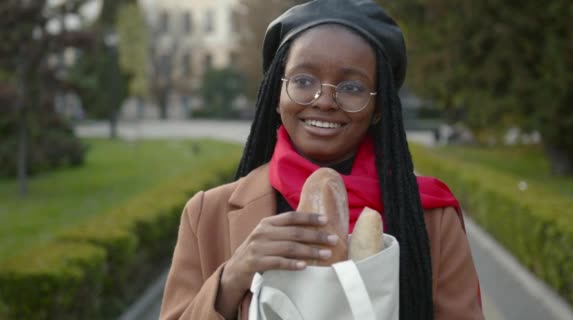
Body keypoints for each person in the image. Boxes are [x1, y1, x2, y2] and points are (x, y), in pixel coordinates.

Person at [160, 1, 483, 319]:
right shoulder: (207, 215)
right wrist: (233, 276)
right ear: (277, 94)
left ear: (379, 108)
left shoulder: (432, 219)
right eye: (303, 81)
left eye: (352, 87)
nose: (325, 101)